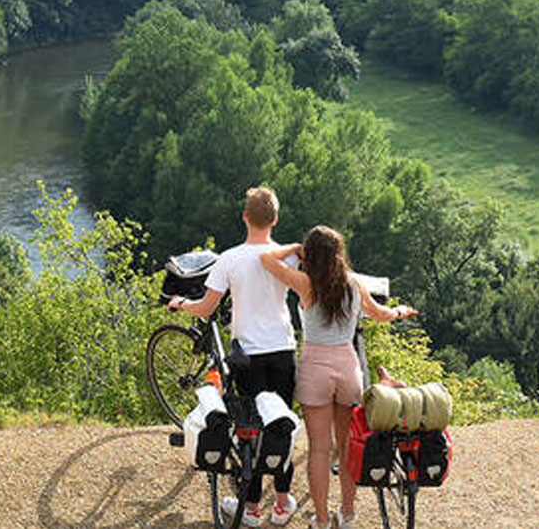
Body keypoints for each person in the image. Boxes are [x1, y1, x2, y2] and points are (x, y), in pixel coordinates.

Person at [261, 226, 418, 529]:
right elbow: (381, 314)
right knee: (346, 446)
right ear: (338, 254)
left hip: (315, 368)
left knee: (319, 449)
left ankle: (321, 520)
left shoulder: (306, 284)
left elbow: (267, 259)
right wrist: (400, 312)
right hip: (348, 367)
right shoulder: (354, 283)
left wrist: (294, 248)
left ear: (311, 254)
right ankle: (347, 515)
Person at [168, 186, 300, 527]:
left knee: (251, 430)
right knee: (280, 427)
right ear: (275, 219)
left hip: (249, 356)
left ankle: (252, 508)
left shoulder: (229, 258)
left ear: (244, 217)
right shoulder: (289, 256)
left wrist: (181, 304)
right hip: (284, 351)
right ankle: (283, 502)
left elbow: (207, 307)